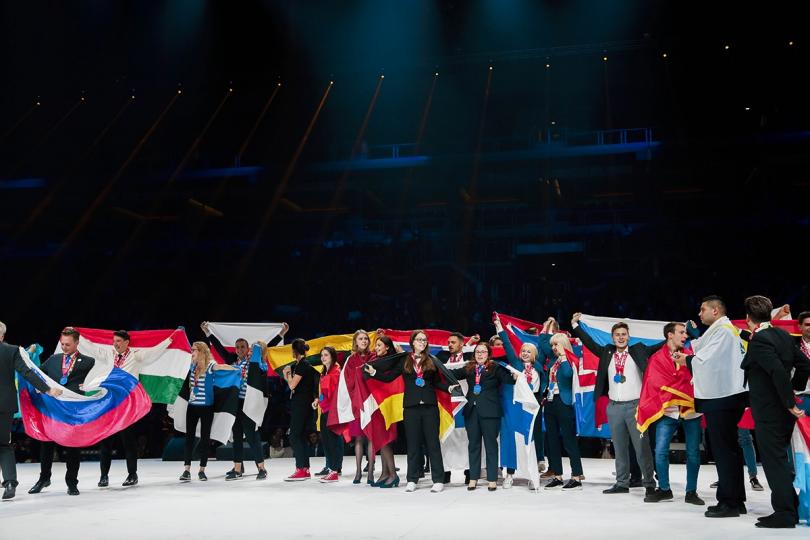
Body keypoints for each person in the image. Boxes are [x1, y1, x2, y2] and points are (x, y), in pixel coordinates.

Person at [571, 312, 663, 497]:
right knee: (619, 448)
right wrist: (575, 325)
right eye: (617, 335)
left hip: (635, 406)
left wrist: (681, 334)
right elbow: (589, 342)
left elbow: (660, 347)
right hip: (614, 407)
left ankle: (649, 484)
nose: (620, 337)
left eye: (623, 334)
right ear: (612, 337)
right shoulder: (607, 352)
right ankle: (622, 482)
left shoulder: (638, 350)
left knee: (642, 448)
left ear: (629, 336)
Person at [673, 296, 748, 518]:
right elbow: (703, 349)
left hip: (722, 398)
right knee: (730, 451)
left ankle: (729, 503)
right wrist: (691, 350)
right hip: (726, 396)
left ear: (715, 311)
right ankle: (735, 499)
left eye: (702, 309)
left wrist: (684, 360)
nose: (699, 313)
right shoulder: (723, 329)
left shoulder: (724, 331)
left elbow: (706, 360)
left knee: (724, 451)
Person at [739, 295, 810, 528]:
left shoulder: (760, 340)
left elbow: (778, 372)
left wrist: (790, 401)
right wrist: (796, 388)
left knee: (774, 462)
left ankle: (785, 514)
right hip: (781, 409)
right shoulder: (783, 335)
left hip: (771, 410)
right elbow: (804, 365)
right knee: (778, 459)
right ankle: (790, 506)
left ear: (748, 318)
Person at [78, 329, 174, 488]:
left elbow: (154, 352)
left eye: (118, 341)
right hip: (108, 403)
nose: (115, 344)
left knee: (128, 441)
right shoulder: (109, 354)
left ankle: (132, 475)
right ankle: (103, 476)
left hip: (126, 405)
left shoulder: (135, 355)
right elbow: (92, 348)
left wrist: (170, 340)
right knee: (106, 442)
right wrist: (78, 336)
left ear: (127, 342)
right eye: (114, 341)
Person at [364, 330, 456, 493]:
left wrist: (448, 387)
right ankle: (412, 479)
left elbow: (436, 383)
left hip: (429, 406)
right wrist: (373, 372)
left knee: (432, 444)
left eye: (424, 340)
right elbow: (390, 377)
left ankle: (438, 479)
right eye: (419, 340)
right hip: (411, 407)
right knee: (413, 444)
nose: (422, 342)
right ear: (412, 342)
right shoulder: (405, 360)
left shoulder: (432, 360)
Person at [201, 321, 288, 481]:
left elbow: (266, 347)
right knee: (237, 434)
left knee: (252, 435)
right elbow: (219, 348)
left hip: (250, 403)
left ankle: (261, 468)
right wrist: (208, 333)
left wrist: (281, 334)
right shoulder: (233, 361)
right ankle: (238, 468)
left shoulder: (256, 362)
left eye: (243, 347)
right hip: (235, 404)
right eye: (237, 347)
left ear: (249, 349)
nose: (240, 349)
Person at [639, 322, 704, 505]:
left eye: (685, 333)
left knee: (693, 453)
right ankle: (665, 489)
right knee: (660, 452)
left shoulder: (691, 355)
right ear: (670, 334)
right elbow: (652, 383)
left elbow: (699, 378)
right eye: (681, 332)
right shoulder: (657, 358)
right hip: (667, 411)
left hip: (691, 411)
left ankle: (691, 492)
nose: (685, 336)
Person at [29, 327, 95, 496]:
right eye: (62, 344)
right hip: (53, 410)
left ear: (77, 343)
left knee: (73, 446)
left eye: (68, 344)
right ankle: (44, 478)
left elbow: (99, 380)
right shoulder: (53, 359)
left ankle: (72, 483)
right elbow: (37, 375)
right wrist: (39, 388)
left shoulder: (89, 362)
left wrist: (90, 386)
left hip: (73, 412)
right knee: (47, 444)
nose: (64, 347)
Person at [0, 321, 61, 500]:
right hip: (5, 405)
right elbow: (27, 373)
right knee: (3, 445)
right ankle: (10, 482)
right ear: (2, 335)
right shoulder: (12, 350)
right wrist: (48, 389)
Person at [448, 342, 517, 491]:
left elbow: (509, 380)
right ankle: (473, 478)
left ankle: (492, 478)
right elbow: (450, 373)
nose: (480, 354)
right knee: (473, 445)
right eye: (477, 352)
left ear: (488, 354)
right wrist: (434, 365)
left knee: (491, 445)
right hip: (471, 412)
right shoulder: (469, 368)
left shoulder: (495, 368)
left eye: (483, 352)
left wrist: (516, 375)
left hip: (490, 412)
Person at [493, 314, 548, 488]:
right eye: (523, 350)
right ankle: (509, 474)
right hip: (512, 407)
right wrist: (499, 327)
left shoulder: (540, 368)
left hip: (530, 409)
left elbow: (540, 390)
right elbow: (507, 344)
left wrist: (546, 330)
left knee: (529, 441)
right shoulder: (515, 364)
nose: (525, 353)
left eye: (528, 351)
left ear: (534, 355)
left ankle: (532, 475)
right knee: (509, 439)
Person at [179, 342, 236, 482]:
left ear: (202, 351)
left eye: (194, 350)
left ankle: (202, 470)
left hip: (206, 408)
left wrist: (236, 369)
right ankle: (186, 470)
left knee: (205, 439)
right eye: (192, 349)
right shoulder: (191, 365)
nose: (192, 352)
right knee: (189, 438)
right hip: (192, 406)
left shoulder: (210, 365)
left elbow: (222, 366)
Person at [542, 333, 585, 491]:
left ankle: (576, 476)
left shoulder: (571, 359)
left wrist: (563, 356)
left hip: (564, 402)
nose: (553, 348)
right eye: (552, 345)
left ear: (564, 344)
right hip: (551, 402)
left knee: (569, 440)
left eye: (556, 345)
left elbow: (567, 375)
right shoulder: (553, 361)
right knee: (551, 439)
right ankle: (557, 476)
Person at [341, 330, 377, 484]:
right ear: (355, 342)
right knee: (358, 439)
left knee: (371, 438)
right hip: (357, 404)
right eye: (361, 339)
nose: (364, 341)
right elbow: (347, 383)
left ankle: (370, 473)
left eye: (366, 339)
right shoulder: (350, 360)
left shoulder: (374, 357)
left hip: (372, 402)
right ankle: (357, 472)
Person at [283, 338, 319, 481]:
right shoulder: (302, 364)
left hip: (302, 404)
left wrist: (287, 374)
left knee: (294, 436)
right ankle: (304, 469)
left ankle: (300, 468)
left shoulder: (302, 365)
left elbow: (292, 385)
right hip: (303, 403)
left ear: (294, 351)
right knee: (301, 436)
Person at [368, 334, 399, 488]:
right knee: (380, 439)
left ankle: (393, 475)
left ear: (387, 347)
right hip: (377, 406)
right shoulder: (376, 361)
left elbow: (388, 380)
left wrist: (373, 372)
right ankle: (385, 473)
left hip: (387, 406)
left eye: (379, 345)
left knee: (385, 440)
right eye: (376, 345)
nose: (377, 348)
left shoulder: (392, 362)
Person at [315, 346, 344, 483]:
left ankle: (334, 470)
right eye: (322, 355)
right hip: (325, 409)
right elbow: (324, 393)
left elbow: (334, 392)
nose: (323, 357)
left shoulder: (336, 371)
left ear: (332, 356)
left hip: (333, 410)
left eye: (326, 355)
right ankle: (332, 468)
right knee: (326, 440)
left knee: (333, 440)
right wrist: (318, 400)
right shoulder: (325, 371)